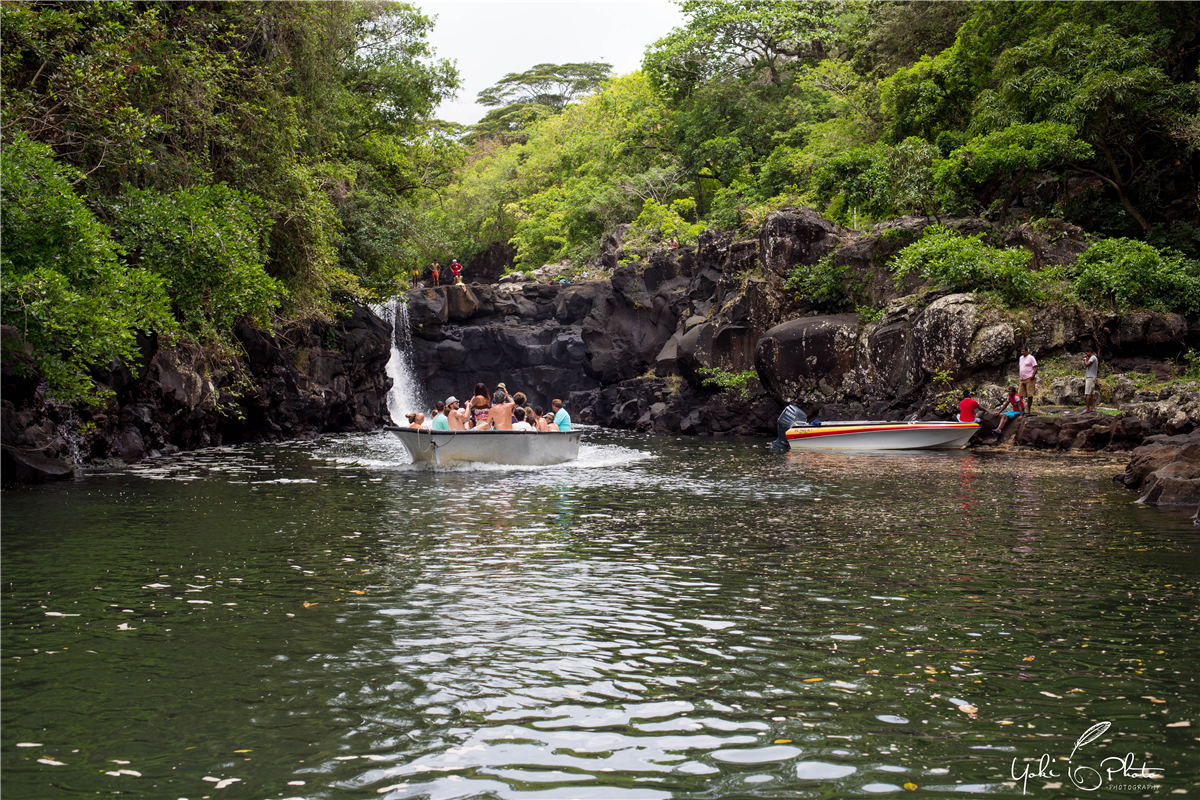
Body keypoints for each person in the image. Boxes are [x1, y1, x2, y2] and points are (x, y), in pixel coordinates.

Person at [1018, 346, 1038, 412]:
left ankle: (1028, 408)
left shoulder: (1031, 357)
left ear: (1027, 351)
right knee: (1020, 394)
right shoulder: (1021, 358)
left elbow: (1035, 367)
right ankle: (1021, 408)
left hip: (1029, 378)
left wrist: (1033, 375)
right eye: (1021, 351)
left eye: (1023, 351)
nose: (1022, 353)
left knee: (1030, 394)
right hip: (1022, 378)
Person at [1083, 347, 1099, 412]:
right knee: (1092, 393)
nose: (1086, 354)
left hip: (1090, 377)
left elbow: (1086, 364)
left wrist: (1085, 360)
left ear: (1090, 352)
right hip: (1093, 377)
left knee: (1088, 393)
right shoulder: (1094, 358)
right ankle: (1092, 408)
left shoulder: (1092, 358)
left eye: (1086, 353)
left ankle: (1087, 408)